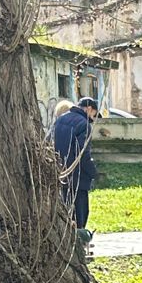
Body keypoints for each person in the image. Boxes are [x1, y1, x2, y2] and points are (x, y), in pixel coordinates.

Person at [52, 94, 98, 238]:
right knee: (80, 217)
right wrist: (94, 173)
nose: (93, 119)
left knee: (66, 215)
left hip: (61, 174)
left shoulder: (60, 120)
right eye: (94, 114)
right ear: (89, 109)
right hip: (78, 179)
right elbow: (82, 155)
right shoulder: (84, 125)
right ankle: (79, 244)